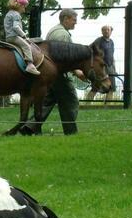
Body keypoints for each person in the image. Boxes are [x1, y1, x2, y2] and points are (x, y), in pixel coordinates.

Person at [20, 8, 87, 136]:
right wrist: (77, 71)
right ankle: (71, 132)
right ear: (66, 19)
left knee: (48, 101)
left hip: (50, 74)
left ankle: (29, 127)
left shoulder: (54, 30)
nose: (75, 23)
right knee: (71, 101)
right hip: (60, 75)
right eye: (74, 20)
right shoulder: (62, 34)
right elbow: (64, 58)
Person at [4, 0, 40, 75]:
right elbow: (16, 27)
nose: (24, 9)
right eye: (24, 7)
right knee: (26, 46)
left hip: (8, 37)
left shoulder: (9, 13)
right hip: (14, 37)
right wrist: (24, 36)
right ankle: (30, 65)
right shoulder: (16, 14)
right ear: (19, 5)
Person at [86, 25, 116, 103]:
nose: (106, 31)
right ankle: (86, 104)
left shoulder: (112, 42)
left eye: (108, 30)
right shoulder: (98, 41)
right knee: (95, 87)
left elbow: (112, 56)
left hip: (110, 67)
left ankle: (107, 106)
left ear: (111, 31)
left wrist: (114, 68)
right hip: (101, 67)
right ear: (102, 31)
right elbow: (89, 49)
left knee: (111, 88)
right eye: (104, 30)